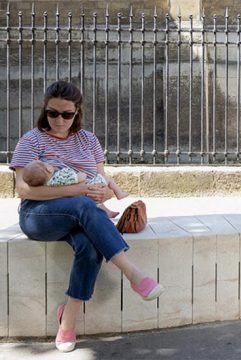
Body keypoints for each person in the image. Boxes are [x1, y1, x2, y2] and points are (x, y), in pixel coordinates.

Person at [10, 80, 164, 353]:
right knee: (82, 204)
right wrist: (79, 191)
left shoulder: (88, 140)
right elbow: (23, 189)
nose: (59, 120)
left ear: (77, 112)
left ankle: (67, 320)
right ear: (44, 111)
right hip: (40, 216)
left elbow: (101, 180)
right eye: (52, 113)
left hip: (84, 213)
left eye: (66, 114)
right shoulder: (31, 140)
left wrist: (102, 192)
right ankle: (133, 274)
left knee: (90, 246)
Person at [22, 159, 128, 218]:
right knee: (106, 179)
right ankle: (119, 193)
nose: (48, 164)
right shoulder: (59, 176)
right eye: (45, 163)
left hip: (77, 197)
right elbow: (77, 178)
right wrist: (82, 175)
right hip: (88, 187)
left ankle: (107, 212)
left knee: (94, 202)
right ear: (48, 169)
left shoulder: (48, 183)